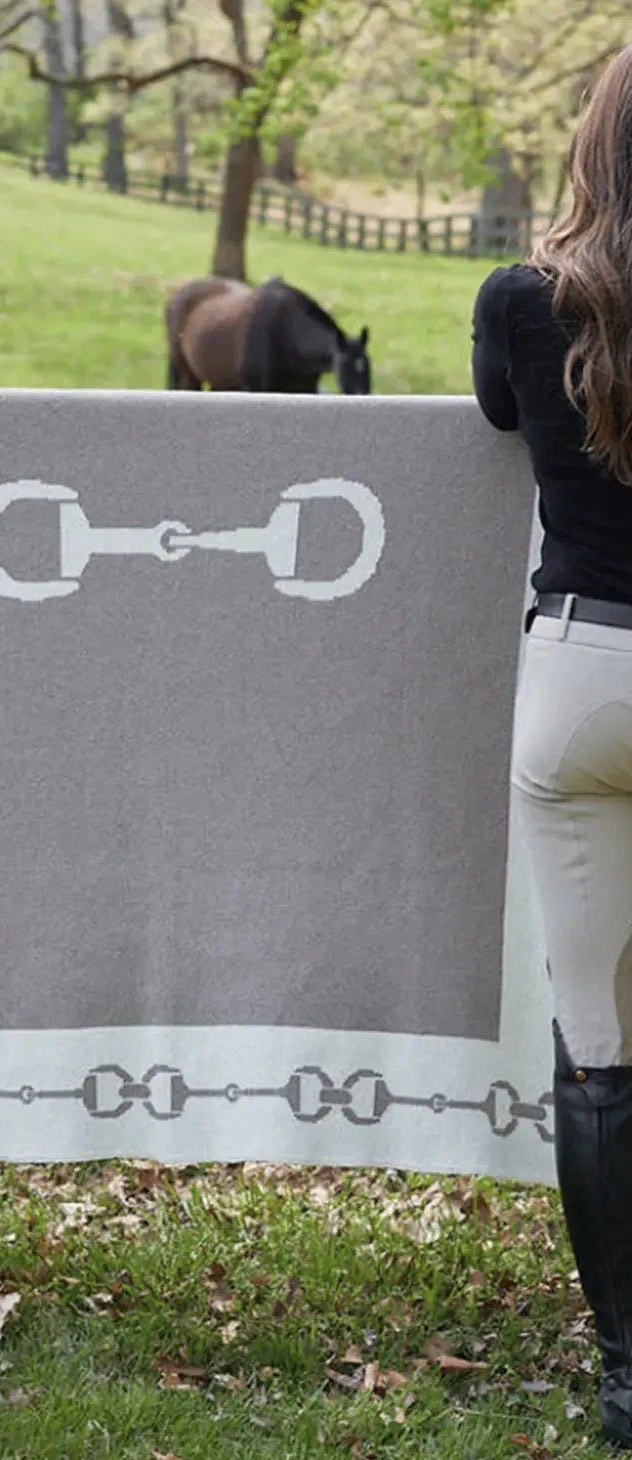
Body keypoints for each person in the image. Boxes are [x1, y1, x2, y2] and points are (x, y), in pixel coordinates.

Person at [471, 44, 632, 1450]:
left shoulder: (525, 299)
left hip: (581, 675)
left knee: (599, 1051)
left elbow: (495, 416)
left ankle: (627, 1377)